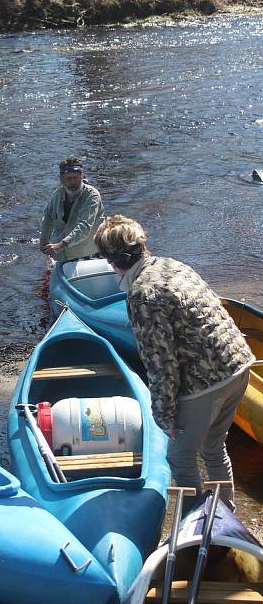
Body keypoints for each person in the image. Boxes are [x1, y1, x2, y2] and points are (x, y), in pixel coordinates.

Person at [94, 214, 254, 511]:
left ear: (113, 261)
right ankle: (225, 518)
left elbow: (160, 363)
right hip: (238, 363)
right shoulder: (172, 264)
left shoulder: (142, 294)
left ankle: (194, 526)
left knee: (179, 456)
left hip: (206, 380)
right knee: (214, 447)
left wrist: (164, 416)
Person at [40, 157, 105, 262]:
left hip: (88, 255)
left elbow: (84, 227)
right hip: (60, 255)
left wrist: (60, 245)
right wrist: (43, 239)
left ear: (82, 176)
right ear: (62, 180)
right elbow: (48, 217)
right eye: (69, 179)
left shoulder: (92, 195)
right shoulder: (57, 194)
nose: (73, 182)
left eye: (76, 178)